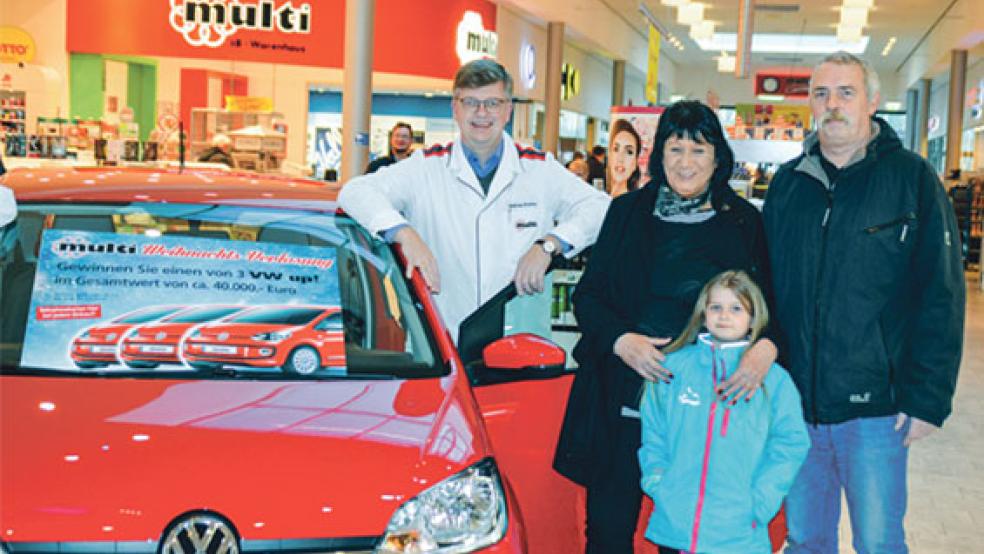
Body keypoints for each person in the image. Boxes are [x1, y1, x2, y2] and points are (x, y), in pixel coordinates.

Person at [554, 100, 780, 554]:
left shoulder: (744, 223)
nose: (686, 162)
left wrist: (765, 349)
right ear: (658, 156)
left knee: (686, 538)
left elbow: (768, 308)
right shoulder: (626, 214)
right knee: (607, 532)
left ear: (718, 157)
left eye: (698, 150)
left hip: (702, 413)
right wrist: (622, 342)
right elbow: (588, 297)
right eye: (675, 149)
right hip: (624, 400)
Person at [763, 52, 966, 553]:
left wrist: (928, 399)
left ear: (873, 101)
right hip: (797, 407)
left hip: (876, 409)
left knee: (878, 542)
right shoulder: (788, 185)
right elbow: (763, 288)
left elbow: (941, 294)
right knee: (806, 539)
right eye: (821, 94)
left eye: (846, 92)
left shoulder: (912, 180)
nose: (833, 105)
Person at [338, 59, 609, 341]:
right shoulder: (426, 167)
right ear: (455, 108)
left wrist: (549, 245)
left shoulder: (538, 169)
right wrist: (404, 234)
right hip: (443, 346)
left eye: (492, 103)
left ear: (508, 110)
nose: (482, 113)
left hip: (520, 346)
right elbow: (355, 192)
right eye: (471, 102)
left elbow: (601, 208)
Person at [638, 270, 809, 554]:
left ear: (753, 318)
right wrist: (658, 481)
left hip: (739, 532)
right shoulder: (673, 368)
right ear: (703, 314)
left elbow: (791, 444)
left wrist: (761, 501)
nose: (724, 316)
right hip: (678, 526)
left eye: (736, 308)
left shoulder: (774, 380)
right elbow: (654, 431)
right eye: (716, 307)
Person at [606, 119, 642, 197]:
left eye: (629, 152)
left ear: (635, 163)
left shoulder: (637, 206)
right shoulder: (598, 200)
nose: (620, 158)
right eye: (616, 149)